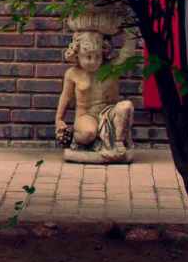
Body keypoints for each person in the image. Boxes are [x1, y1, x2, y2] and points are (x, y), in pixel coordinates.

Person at [55, 27, 134, 163]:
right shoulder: (73, 73)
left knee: (126, 106)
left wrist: (128, 31)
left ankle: (118, 144)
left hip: (109, 113)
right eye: (88, 57)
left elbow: (128, 53)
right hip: (86, 115)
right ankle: (78, 139)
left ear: (103, 52)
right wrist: (59, 120)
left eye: (97, 56)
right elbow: (66, 97)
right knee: (88, 133)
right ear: (77, 54)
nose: (93, 61)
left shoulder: (111, 68)